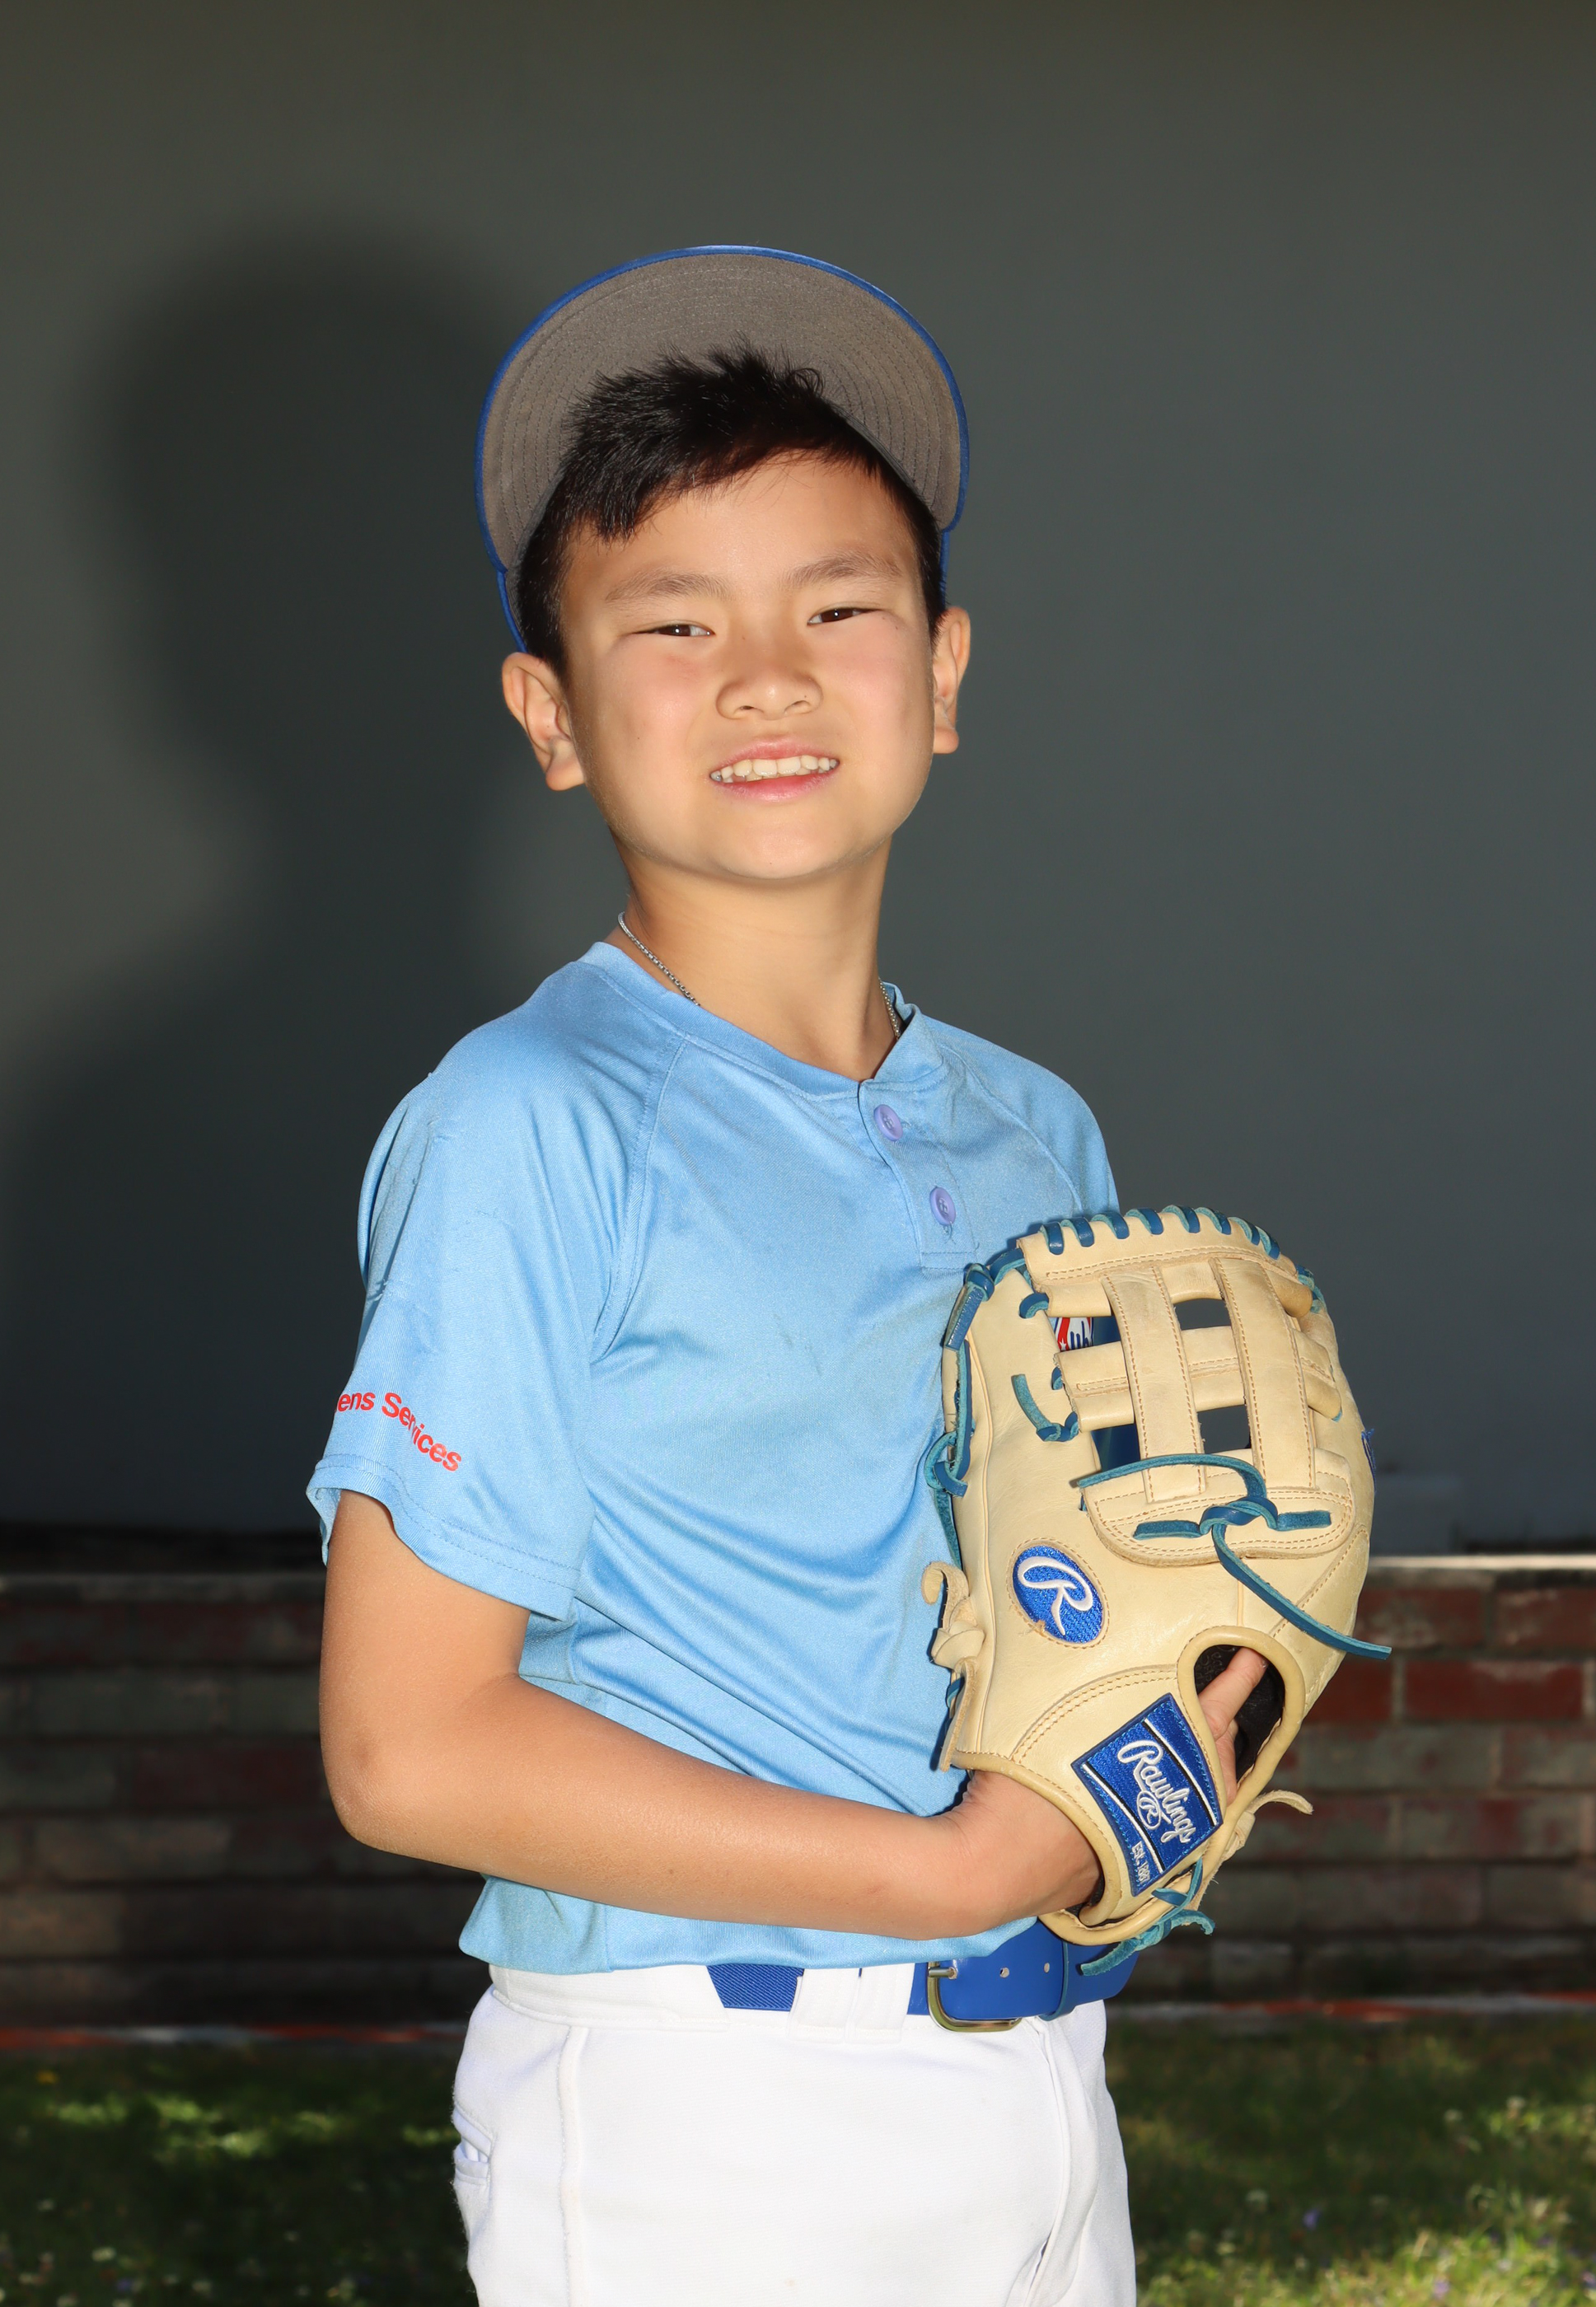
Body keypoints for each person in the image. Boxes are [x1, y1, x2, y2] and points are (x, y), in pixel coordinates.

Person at [312, 246, 1266, 2307]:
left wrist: (1186, 1708)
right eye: (673, 623)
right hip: (708, 2110)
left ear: (941, 672)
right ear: (551, 717)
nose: (764, 674)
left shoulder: (1034, 1127)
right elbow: (408, 1745)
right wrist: (946, 1867)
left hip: (1040, 2063)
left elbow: (1089, 1586)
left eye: (837, 607)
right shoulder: (527, 1122)